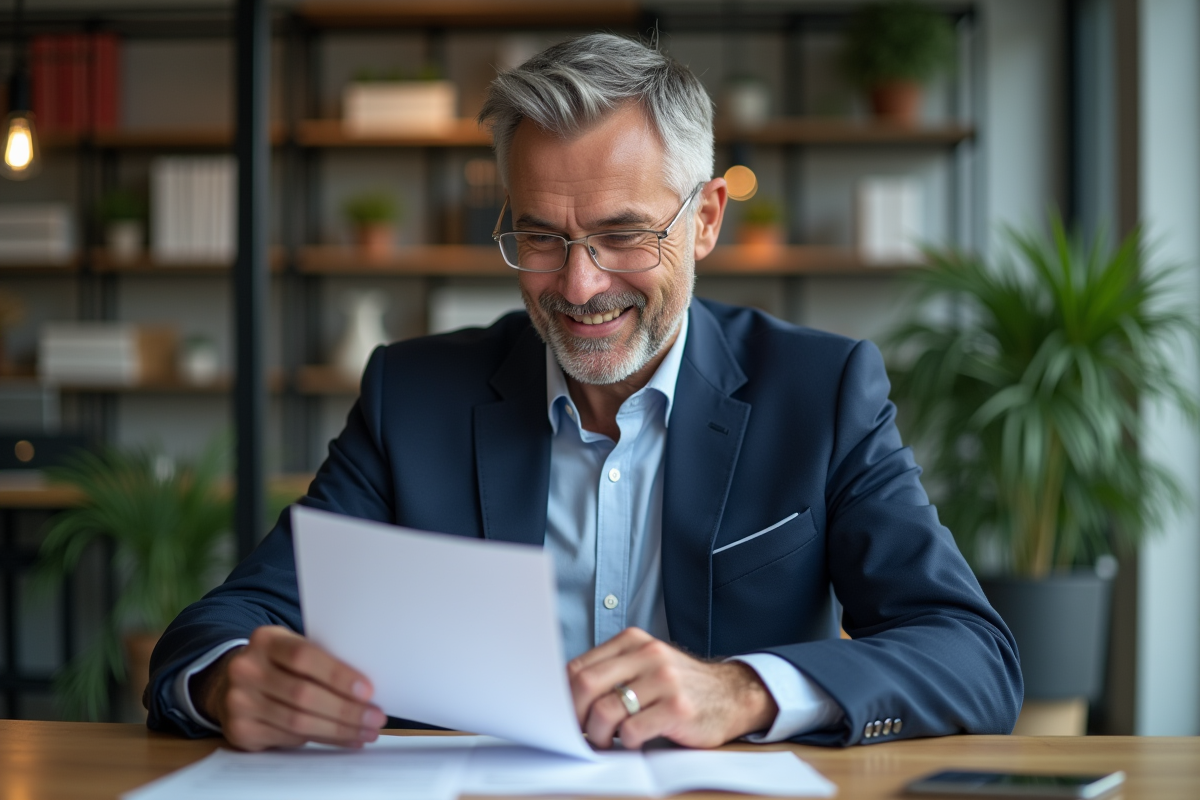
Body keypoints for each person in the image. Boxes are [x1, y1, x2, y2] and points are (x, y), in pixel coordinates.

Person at [146, 33, 1022, 752]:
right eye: (540, 236)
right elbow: (226, 621)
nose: (578, 284)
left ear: (707, 219)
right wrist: (229, 679)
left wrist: (742, 691)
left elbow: (971, 654)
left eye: (622, 234)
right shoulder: (412, 396)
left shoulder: (822, 392)